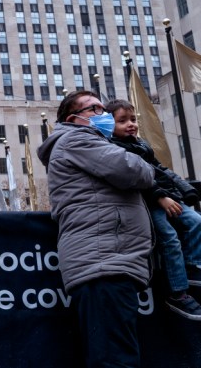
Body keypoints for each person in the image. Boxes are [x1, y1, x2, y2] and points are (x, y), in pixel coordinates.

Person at [37, 90, 155, 368]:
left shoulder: (85, 142)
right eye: (95, 109)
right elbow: (137, 171)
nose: (105, 115)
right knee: (115, 360)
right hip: (104, 263)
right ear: (73, 118)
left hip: (107, 262)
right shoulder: (77, 139)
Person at [106, 99, 201, 321]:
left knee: (198, 222)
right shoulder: (114, 149)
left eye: (132, 119)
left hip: (169, 196)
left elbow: (162, 170)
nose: (130, 124)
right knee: (169, 239)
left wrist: (185, 189)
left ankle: (195, 268)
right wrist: (160, 198)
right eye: (122, 121)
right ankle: (178, 292)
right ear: (108, 125)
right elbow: (138, 179)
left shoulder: (142, 146)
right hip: (148, 203)